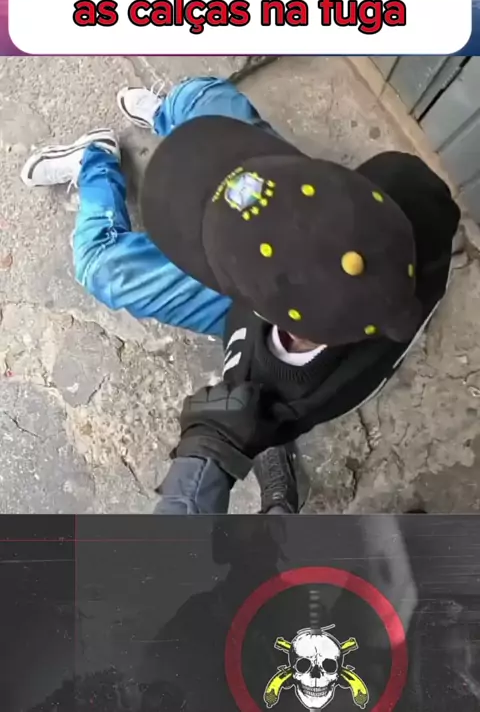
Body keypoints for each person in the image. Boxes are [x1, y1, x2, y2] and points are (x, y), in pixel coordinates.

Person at [21, 76, 461, 514]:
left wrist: (207, 462)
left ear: (272, 315)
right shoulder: (409, 191)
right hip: (307, 212)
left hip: (290, 215)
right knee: (200, 98)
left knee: (100, 264)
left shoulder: (257, 377)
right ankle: (171, 121)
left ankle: (97, 163)